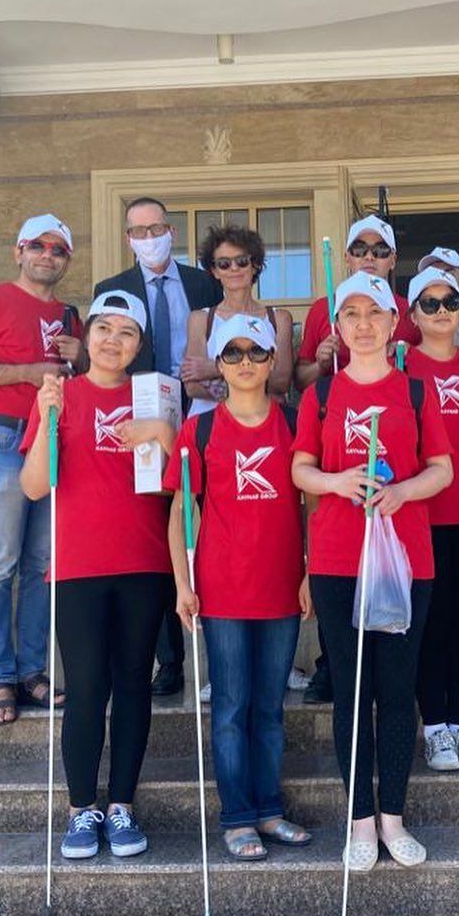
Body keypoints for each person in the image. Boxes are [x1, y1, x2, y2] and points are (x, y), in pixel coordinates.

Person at [291, 271, 453, 871]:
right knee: (353, 692)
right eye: (351, 314)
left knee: (396, 689)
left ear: (392, 323)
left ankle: (394, 818)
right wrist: (337, 481)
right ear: (337, 325)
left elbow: (442, 469)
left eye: (374, 313)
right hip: (338, 559)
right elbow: (300, 469)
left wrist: (403, 491)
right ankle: (360, 820)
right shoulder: (321, 395)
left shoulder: (416, 391)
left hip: (405, 559)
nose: (363, 324)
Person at [20, 290, 175, 860]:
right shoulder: (60, 395)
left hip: (144, 561)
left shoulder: (156, 398)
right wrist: (48, 418)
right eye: (104, 328)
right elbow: (33, 486)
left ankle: (122, 804)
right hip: (78, 566)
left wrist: (162, 433)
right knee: (87, 686)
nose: (113, 340)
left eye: (126, 332)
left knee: (133, 681)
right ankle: (81, 807)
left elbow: (179, 481)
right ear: (86, 336)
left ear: (139, 344)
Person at [165, 314, 312, 861]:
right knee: (230, 706)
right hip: (222, 590)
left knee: (270, 707)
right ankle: (237, 817)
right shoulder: (199, 430)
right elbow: (180, 511)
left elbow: (313, 504)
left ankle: (269, 809)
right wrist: (182, 583)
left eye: (256, 352)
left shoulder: (295, 423)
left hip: (281, 588)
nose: (245, 362)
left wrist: (310, 570)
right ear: (219, 366)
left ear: (272, 361)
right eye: (233, 353)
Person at [0, 213, 86, 727]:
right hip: (4, 437)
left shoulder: (70, 317)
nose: (48, 255)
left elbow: (82, 382)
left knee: (42, 564)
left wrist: (81, 356)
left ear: (67, 260)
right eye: (38, 246)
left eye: (58, 249)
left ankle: (31, 672)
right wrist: (28, 371)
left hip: (53, 439)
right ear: (18, 251)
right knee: (0, 563)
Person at [94, 196, 220, 697]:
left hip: (202, 413)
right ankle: (169, 658)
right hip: (142, 419)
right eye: (139, 231)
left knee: (206, 526)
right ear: (128, 238)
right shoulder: (112, 289)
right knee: (157, 531)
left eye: (156, 229)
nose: (149, 238)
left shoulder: (203, 284)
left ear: (172, 231)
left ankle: (218, 651)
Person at [405, 266, 459, 772]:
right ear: (413, 314)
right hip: (420, 513)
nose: (441, 311)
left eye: (451, 302)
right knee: (430, 622)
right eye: (430, 303)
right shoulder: (401, 365)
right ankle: (435, 727)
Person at [294, 214, 419, 391]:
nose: (369, 257)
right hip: (338, 405)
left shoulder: (410, 310)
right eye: (359, 250)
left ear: (393, 260)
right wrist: (320, 366)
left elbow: (432, 371)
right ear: (347, 258)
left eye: (380, 250)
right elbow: (301, 382)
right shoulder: (323, 308)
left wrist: (412, 355)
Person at [180, 223, 294, 416]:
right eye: (224, 263)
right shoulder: (200, 319)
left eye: (242, 261)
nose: (234, 268)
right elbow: (193, 386)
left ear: (255, 265)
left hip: (263, 424)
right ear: (214, 271)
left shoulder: (279, 319)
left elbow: (281, 381)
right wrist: (257, 380)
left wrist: (214, 368)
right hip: (209, 425)